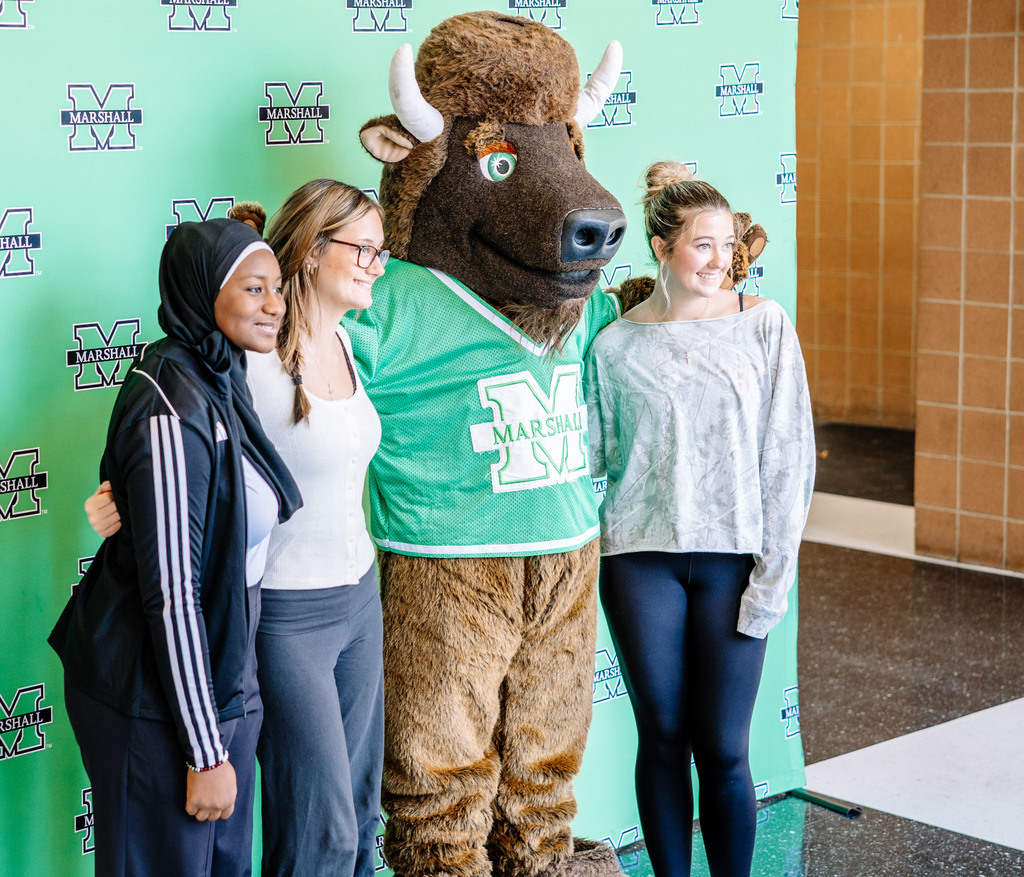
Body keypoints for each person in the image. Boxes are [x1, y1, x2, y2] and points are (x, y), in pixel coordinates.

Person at [85, 179, 388, 877]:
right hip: (286, 612)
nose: (376, 265)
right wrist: (116, 502)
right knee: (320, 831)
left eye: (381, 250)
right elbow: (169, 451)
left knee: (360, 817)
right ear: (313, 249)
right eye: (363, 249)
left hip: (359, 600)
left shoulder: (348, 340)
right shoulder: (244, 356)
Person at [50, 218, 302, 877]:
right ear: (202, 291)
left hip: (218, 682)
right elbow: (172, 594)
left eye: (277, 287)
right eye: (254, 288)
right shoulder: (169, 402)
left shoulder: (219, 370)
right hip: (153, 696)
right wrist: (205, 751)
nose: (275, 304)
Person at [584, 162, 815, 877]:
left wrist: (773, 577)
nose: (720, 260)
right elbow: (593, 456)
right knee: (662, 737)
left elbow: (788, 457)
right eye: (702, 244)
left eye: (727, 244)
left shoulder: (763, 324)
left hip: (734, 561)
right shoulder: (614, 345)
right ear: (662, 247)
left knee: (723, 748)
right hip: (637, 560)